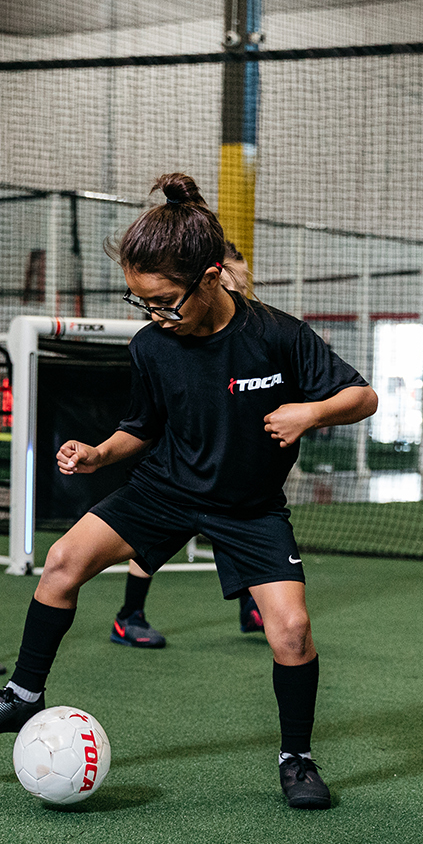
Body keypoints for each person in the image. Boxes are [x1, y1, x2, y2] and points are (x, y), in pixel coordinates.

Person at [0, 173, 378, 809]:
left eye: (167, 300)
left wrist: (310, 414)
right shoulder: (153, 346)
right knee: (62, 564)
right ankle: (22, 695)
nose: (155, 314)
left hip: (249, 508)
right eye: (141, 301)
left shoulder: (276, 335)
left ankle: (297, 758)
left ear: (211, 277)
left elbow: (362, 396)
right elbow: (140, 429)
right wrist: (98, 453)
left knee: (292, 632)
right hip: (166, 489)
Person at [112, 240, 263, 649]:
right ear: (210, 280)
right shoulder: (165, 337)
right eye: (233, 282)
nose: (238, 292)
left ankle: (252, 606)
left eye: (244, 284)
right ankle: (129, 615)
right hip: (177, 465)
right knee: (151, 541)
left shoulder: (253, 331)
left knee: (239, 521)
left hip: (228, 461)